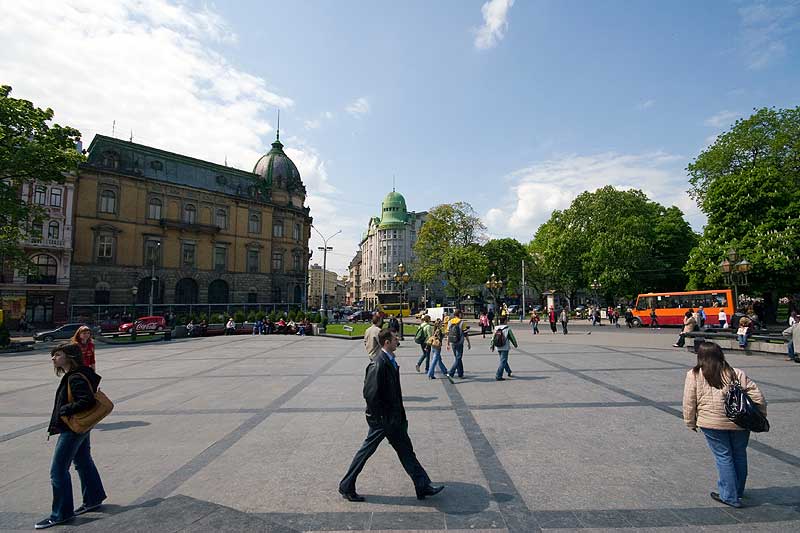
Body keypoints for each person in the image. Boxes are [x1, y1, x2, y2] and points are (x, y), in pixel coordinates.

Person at [338, 329, 444, 502]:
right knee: (365, 452)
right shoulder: (378, 363)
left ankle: (422, 485)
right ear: (387, 342)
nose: (398, 341)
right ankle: (346, 485)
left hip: (393, 419)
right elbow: (370, 394)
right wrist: (380, 418)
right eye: (395, 339)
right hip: (383, 420)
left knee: (406, 451)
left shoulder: (389, 360)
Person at [682, 342, 766, 509]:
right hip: (740, 422)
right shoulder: (736, 373)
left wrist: (690, 421)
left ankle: (729, 496)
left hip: (711, 422)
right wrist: (759, 416)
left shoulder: (694, 374)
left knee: (723, 456)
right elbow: (758, 397)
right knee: (739, 455)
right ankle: (738, 490)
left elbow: (689, 401)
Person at [37, 343, 107, 529]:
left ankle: (61, 513)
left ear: (69, 357)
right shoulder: (80, 374)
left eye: (57, 354)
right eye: (53, 355)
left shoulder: (75, 377)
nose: (53, 358)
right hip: (82, 425)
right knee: (83, 461)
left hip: (72, 428)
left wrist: (64, 410)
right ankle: (93, 498)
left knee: (58, 470)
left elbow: (87, 400)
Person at [491, 315, 518, 381]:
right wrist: (515, 344)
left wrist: (492, 345)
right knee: (503, 361)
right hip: (505, 347)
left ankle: (509, 371)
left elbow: (493, 338)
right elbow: (512, 337)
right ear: (505, 321)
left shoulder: (496, 328)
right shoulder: (507, 328)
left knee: (503, 360)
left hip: (498, 346)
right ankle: (498, 375)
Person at [446, 309, 471, 379]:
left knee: (457, 358)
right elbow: (465, 334)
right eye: (461, 314)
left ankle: (460, 373)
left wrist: (447, 343)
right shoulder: (462, 322)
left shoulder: (450, 322)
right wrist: (469, 343)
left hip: (452, 341)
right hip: (460, 342)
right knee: (458, 358)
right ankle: (451, 373)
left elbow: (448, 333)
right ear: (459, 314)